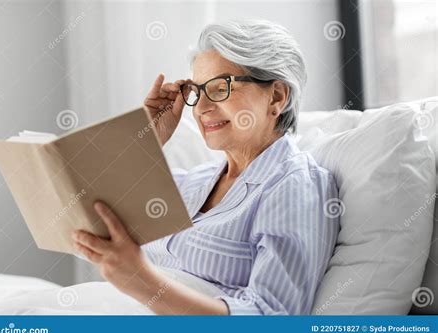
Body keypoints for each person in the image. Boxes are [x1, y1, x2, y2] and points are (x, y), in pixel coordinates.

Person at [72, 18, 340, 315]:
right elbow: (91, 220)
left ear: (276, 96)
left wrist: (142, 282)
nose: (201, 108)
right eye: (197, 91)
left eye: (219, 87)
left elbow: (272, 321)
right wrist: (146, 142)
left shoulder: (294, 187)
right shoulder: (191, 183)